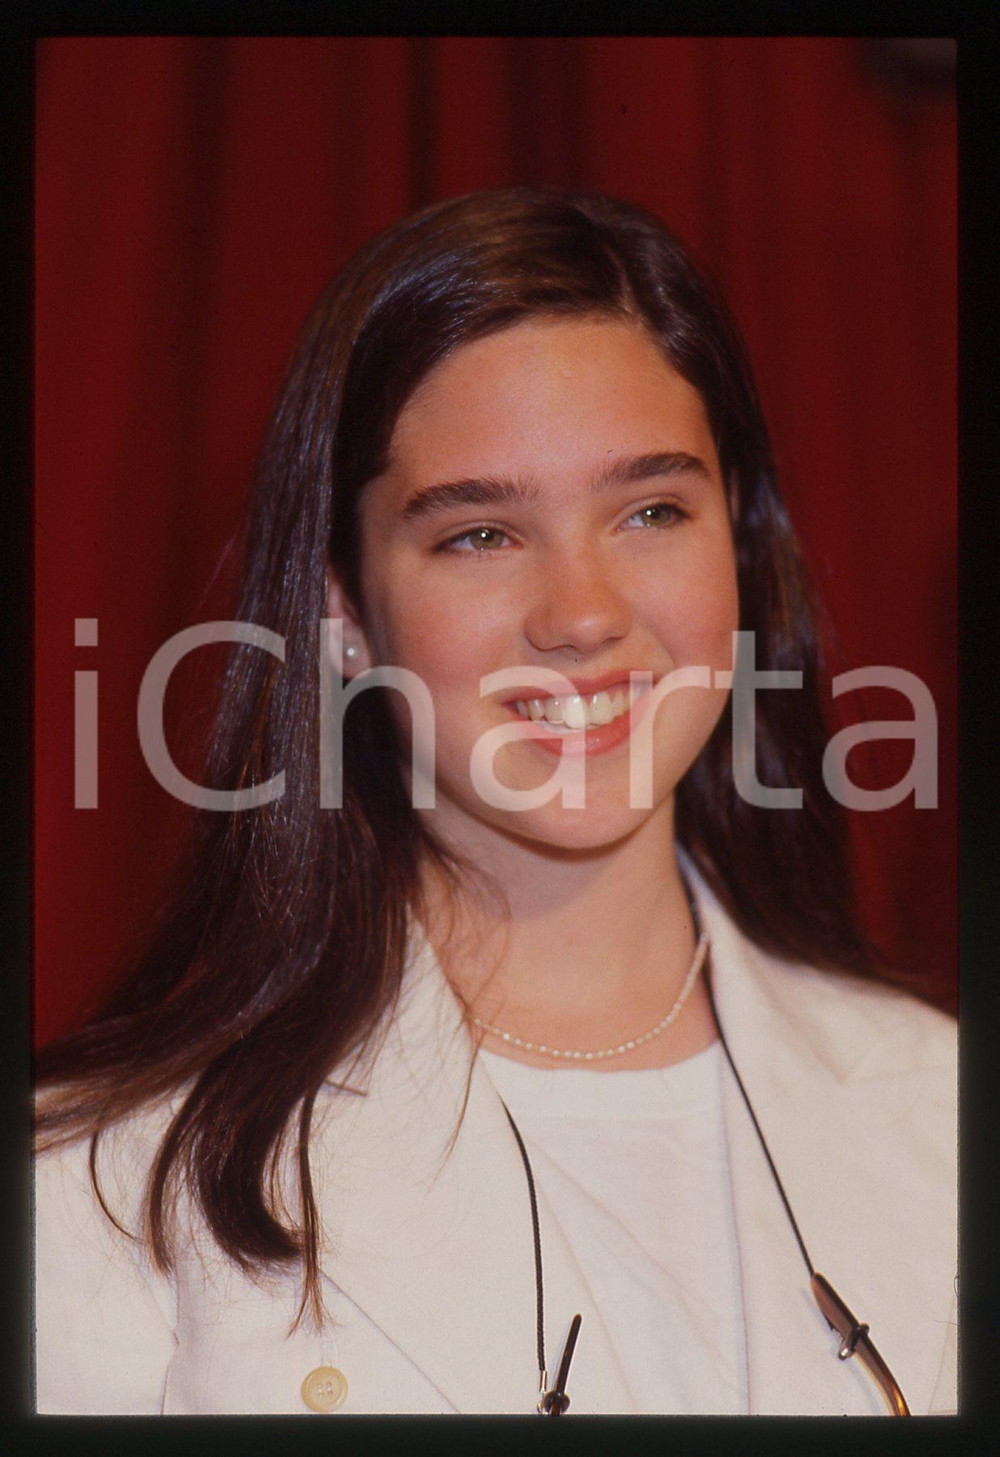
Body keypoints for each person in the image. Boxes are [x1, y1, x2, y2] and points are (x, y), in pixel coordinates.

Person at [34, 187, 956, 1417]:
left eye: (649, 510)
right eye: (479, 533)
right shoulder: (100, 1181)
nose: (580, 613)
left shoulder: (940, 1104)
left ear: (739, 548)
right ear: (343, 614)